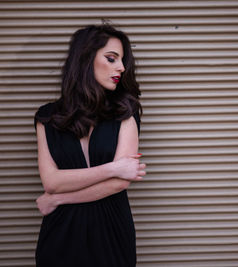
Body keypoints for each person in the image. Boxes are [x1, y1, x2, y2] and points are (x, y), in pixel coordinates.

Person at [33, 24, 146, 267]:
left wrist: (58, 200)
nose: (121, 68)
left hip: (111, 228)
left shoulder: (126, 111)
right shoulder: (47, 117)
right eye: (111, 58)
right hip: (61, 230)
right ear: (85, 58)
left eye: (122, 61)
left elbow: (119, 184)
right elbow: (52, 182)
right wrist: (113, 168)